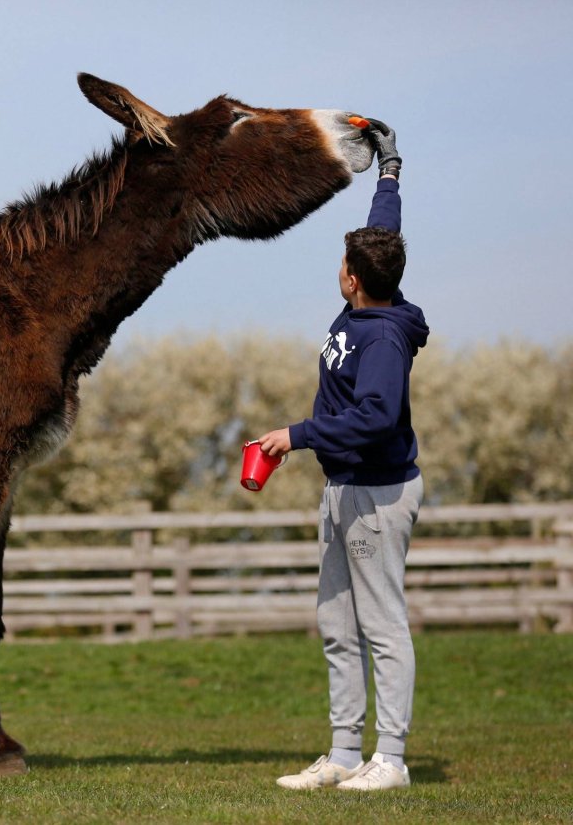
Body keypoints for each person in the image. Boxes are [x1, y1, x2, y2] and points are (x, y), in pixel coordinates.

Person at [258, 119, 429, 791]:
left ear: (354, 281)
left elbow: (377, 416)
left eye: (344, 265)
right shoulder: (377, 295)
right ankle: (345, 754)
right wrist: (389, 169)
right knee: (336, 624)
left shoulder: (383, 338)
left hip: (378, 494)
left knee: (381, 627)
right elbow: (382, 231)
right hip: (344, 489)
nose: (340, 269)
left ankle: (391, 758)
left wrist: (295, 436)